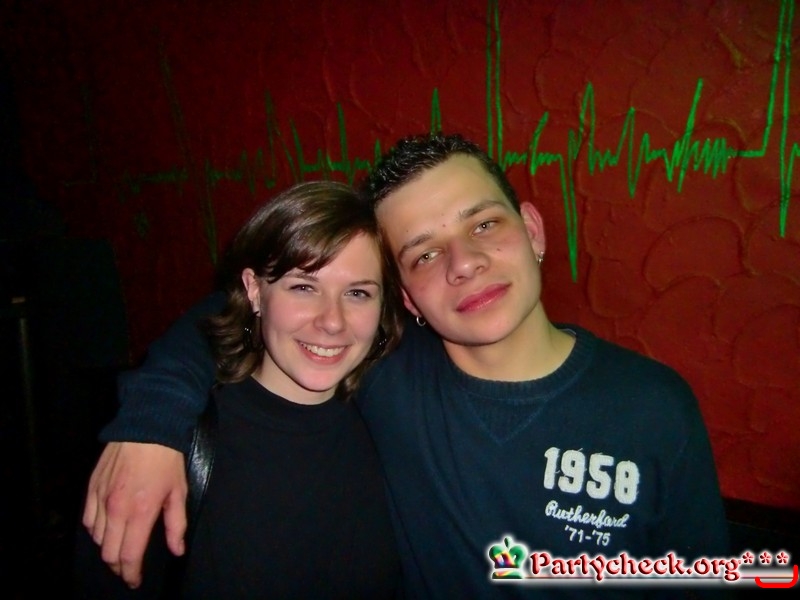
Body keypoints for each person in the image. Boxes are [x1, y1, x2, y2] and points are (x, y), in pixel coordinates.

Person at [84, 133, 730, 598]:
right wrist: (153, 423)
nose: (464, 263)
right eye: (424, 254)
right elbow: (246, 314)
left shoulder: (652, 406)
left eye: (483, 225)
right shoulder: (387, 375)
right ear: (407, 298)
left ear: (533, 230)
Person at [76, 180, 403, 598]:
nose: (332, 321)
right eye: (303, 287)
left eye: (357, 293)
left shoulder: (393, 421)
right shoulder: (170, 446)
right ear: (254, 290)